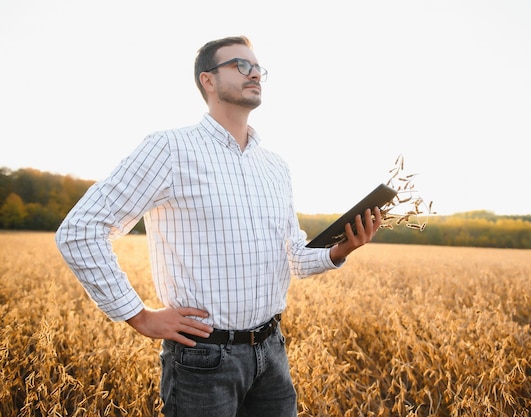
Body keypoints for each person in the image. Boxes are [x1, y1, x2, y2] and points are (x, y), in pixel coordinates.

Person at [55, 35, 382, 417]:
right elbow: (80, 230)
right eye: (241, 65)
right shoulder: (171, 149)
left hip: (272, 350)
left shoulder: (275, 166)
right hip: (203, 359)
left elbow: (293, 256)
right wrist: (138, 315)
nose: (254, 73)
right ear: (207, 80)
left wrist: (339, 250)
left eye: (258, 67)